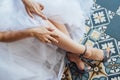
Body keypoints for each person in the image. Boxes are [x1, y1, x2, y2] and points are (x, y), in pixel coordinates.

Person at [0, 0, 110, 80]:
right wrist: (31, 32)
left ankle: (73, 52)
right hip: (7, 26)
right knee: (35, 21)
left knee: (44, 9)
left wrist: (26, 1)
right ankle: (85, 51)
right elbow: (2, 36)